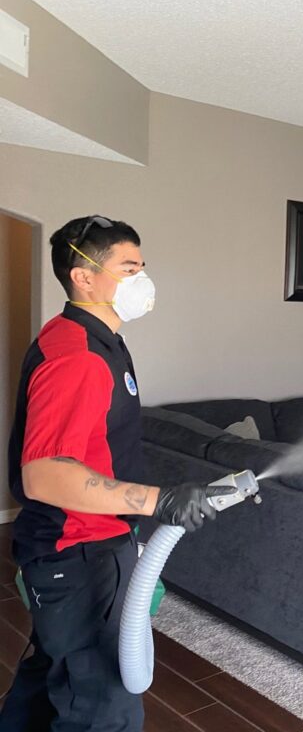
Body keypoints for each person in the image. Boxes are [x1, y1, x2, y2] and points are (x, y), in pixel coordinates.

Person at [0, 215, 233, 731]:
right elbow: (43, 476)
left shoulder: (98, 339)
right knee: (102, 706)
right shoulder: (78, 354)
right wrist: (158, 501)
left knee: (51, 675)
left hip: (90, 543)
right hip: (77, 552)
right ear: (83, 276)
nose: (142, 279)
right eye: (129, 268)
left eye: (142, 266)